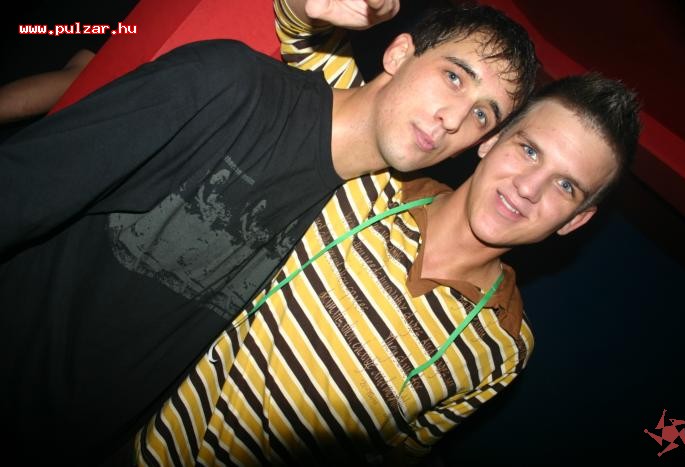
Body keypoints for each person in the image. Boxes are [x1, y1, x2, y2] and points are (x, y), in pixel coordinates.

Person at [0, 0, 537, 464]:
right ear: (398, 55)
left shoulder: (361, 219)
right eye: (454, 77)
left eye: (482, 116)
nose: (453, 119)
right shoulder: (230, 85)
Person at [136, 73, 641, 466]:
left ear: (576, 220)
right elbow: (304, 45)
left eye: (565, 186)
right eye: (528, 150)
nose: (528, 188)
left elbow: (398, 454)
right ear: (491, 140)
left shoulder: (505, 348)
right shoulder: (368, 183)